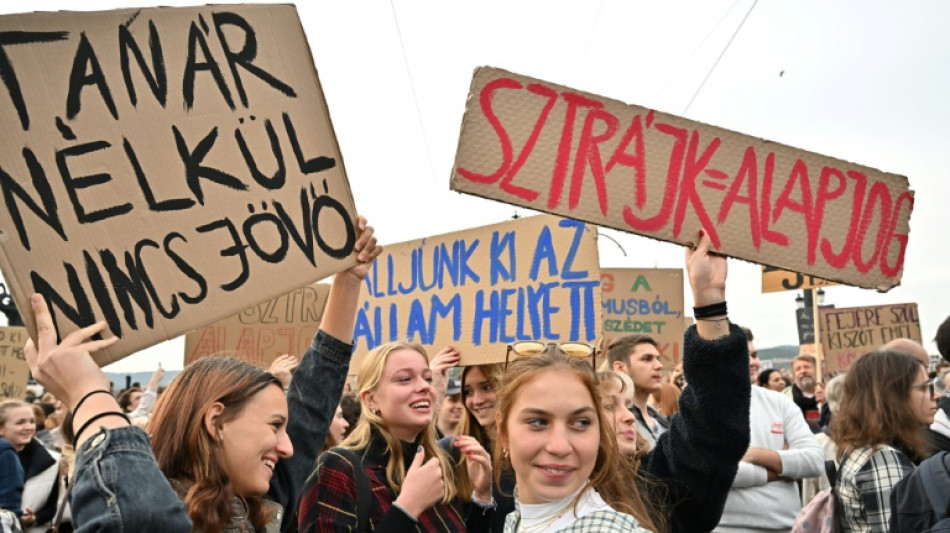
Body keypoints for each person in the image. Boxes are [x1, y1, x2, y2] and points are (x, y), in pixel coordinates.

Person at [24, 216, 381, 532]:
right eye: (275, 425)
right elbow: (141, 521)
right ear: (215, 421)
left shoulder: (258, 508)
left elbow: (313, 402)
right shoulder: (164, 507)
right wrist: (86, 391)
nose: (289, 447)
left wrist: (348, 280)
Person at [298, 341, 493, 532]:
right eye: (405, 379)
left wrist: (482, 497)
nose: (424, 386)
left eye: (427, 378)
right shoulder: (339, 467)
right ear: (371, 399)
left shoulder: (438, 466)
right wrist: (406, 509)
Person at [713, 327, 823, 533]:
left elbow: (815, 461)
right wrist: (783, 466)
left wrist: (754, 454)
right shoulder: (701, 407)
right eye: (743, 355)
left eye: (754, 355)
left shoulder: (780, 402)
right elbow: (718, 472)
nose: (753, 363)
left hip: (787, 527)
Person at [832, 349, 937, 532]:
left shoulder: (872, 450)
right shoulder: (882, 460)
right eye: (923, 388)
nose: (934, 395)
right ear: (893, 396)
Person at [0, 400, 61, 533]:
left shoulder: (53, 460)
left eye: (32, 421)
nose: (29, 427)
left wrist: (35, 518)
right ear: (1, 428)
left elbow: (52, 506)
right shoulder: (4, 455)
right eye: (20, 422)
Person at [607, 334, 669, 451]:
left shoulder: (663, 420)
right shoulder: (614, 423)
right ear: (620, 368)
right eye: (647, 359)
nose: (659, 366)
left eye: (658, 359)